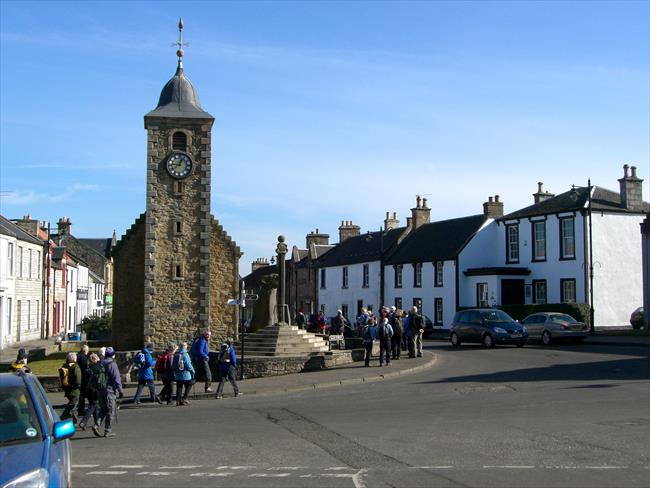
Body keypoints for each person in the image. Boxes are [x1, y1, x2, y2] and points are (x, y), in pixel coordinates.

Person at [100, 347, 123, 437]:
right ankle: (107, 430)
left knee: (103, 409)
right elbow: (117, 378)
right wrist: (120, 391)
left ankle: (96, 425)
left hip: (100, 389)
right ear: (113, 355)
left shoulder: (100, 363)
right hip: (109, 390)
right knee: (110, 410)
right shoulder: (112, 364)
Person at [78, 353, 105, 432]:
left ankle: (96, 423)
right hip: (95, 390)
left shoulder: (88, 369)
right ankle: (84, 421)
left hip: (88, 390)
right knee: (93, 405)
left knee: (95, 406)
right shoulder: (99, 367)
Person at [60, 352, 82, 424]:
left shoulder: (64, 366)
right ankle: (63, 417)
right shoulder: (75, 367)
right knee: (72, 404)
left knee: (73, 403)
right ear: (74, 358)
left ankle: (75, 420)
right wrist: (79, 386)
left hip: (67, 388)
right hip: (75, 389)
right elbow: (78, 380)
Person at [172, 341, 195, 406]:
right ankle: (184, 398)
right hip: (186, 374)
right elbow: (188, 365)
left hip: (178, 374)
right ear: (185, 347)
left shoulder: (176, 354)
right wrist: (193, 370)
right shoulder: (185, 354)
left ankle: (178, 400)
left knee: (179, 387)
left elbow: (173, 364)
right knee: (189, 385)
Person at [76, 344, 90, 417]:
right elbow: (85, 368)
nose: (88, 351)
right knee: (82, 395)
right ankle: (81, 410)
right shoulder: (83, 357)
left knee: (81, 395)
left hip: (79, 377)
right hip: (83, 378)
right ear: (85, 350)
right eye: (87, 350)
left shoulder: (78, 355)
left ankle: (80, 409)